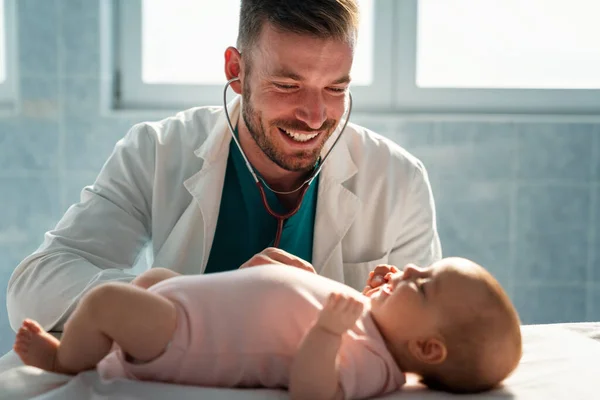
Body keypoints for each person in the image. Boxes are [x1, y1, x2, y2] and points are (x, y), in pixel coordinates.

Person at [7, 0, 441, 334]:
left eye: (335, 88)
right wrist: (194, 299)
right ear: (237, 71)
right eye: (287, 85)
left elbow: (428, 334)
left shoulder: (398, 181)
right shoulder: (158, 150)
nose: (314, 115)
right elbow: (33, 290)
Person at [13, 258, 522, 399]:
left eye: (423, 286)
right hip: (191, 304)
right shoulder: (375, 322)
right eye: (422, 268)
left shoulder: (377, 367)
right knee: (153, 278)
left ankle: (64, 358)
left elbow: (312, 391)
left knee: (106, 302)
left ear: (427, 348)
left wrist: (326, 331)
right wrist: (371, 294)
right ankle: (131, 314)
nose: (409, 271)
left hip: (188, 339)